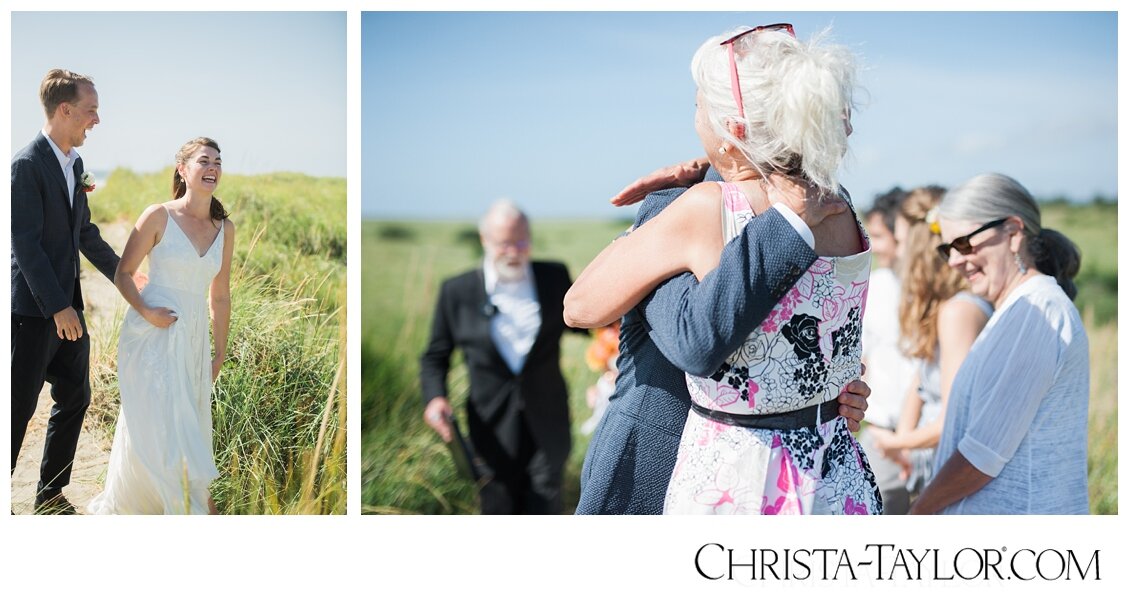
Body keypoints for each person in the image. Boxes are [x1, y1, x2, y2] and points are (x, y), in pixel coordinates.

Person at [567, 24, 881, 514]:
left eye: (698, 107)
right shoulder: (840, 209)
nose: (694, 118)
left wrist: (663, 208)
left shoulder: (703, 209)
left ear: (733, 131)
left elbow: (579, 306)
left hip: (736, 482)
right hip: (834, 480)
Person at [910, 173, 1088, 514]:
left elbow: (983, 453)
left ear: (1012, 232)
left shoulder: (1038, 310)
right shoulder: (1016, 310)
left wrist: (919, 511)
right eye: (947, 249)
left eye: (964, 243)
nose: (954, 261)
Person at [87, 137, 235, 515]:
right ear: (182, 170)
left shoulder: (225, 227)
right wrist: (148, 313)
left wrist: (219, 352)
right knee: (163, 422)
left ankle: (167, 503)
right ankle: (190, 506)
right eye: (204, 160)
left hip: (194, 339)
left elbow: (219, 296)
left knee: (185, 419)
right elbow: (123, 273)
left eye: (218, 161)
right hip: (152, 332)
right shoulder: (158, 215)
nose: (213, 167)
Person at [419, 200, 581, 514]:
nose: (514, 251)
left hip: (548, 423)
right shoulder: (457, 291)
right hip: (490, 428)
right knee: (497, 508)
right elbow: (435, 356)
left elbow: (587, 323)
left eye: (522, 241)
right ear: (484, 241)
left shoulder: (554, 277)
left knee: (545, 507)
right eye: (504, 243)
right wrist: (435, 397)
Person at [11, 69, 120, 514]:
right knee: (16, 408)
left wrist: (127, 278)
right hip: (34, 313)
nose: (96, 119)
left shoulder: (74, 164)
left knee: (75, 396)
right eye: (91, 110)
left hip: (68, 310)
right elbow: (25, 245)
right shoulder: (26, 165)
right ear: (65, 110)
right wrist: (57, 307)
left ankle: (50, 494)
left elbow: (85, 232)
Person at [868, 186, 991, 505]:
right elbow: (921, 381)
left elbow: (953, 415)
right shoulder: (945, 312)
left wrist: (897, 444)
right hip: (923, 451)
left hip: (945, 459)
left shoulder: (959, 312)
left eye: (904, 243)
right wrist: (902, 444)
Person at [856, 186, 916, 514]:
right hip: (880, 435)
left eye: (879, 236)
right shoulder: (873, 286)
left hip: (926, 437)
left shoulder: (929, 290)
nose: (872, 245)